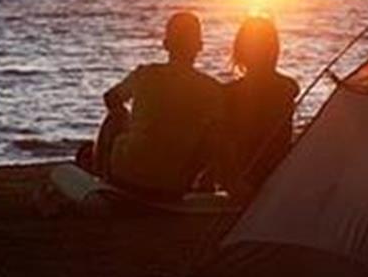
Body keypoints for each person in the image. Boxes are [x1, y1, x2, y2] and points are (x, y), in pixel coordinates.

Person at [82, 11, 223, 200]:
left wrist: (135, 118)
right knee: (213, 132)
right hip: (174, 185)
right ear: (199, 47)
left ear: (165, 45)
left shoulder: (145, 74)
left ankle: (100, 176)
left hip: (125, 176)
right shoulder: (211, 88)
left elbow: (110, 98)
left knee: (116, 116)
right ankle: (204, 185)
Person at [219, 15, 299, 200]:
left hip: (243, 182)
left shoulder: (228, 94)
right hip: (278, 179)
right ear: (274, 51)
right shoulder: (288, 88)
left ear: (240, 52)